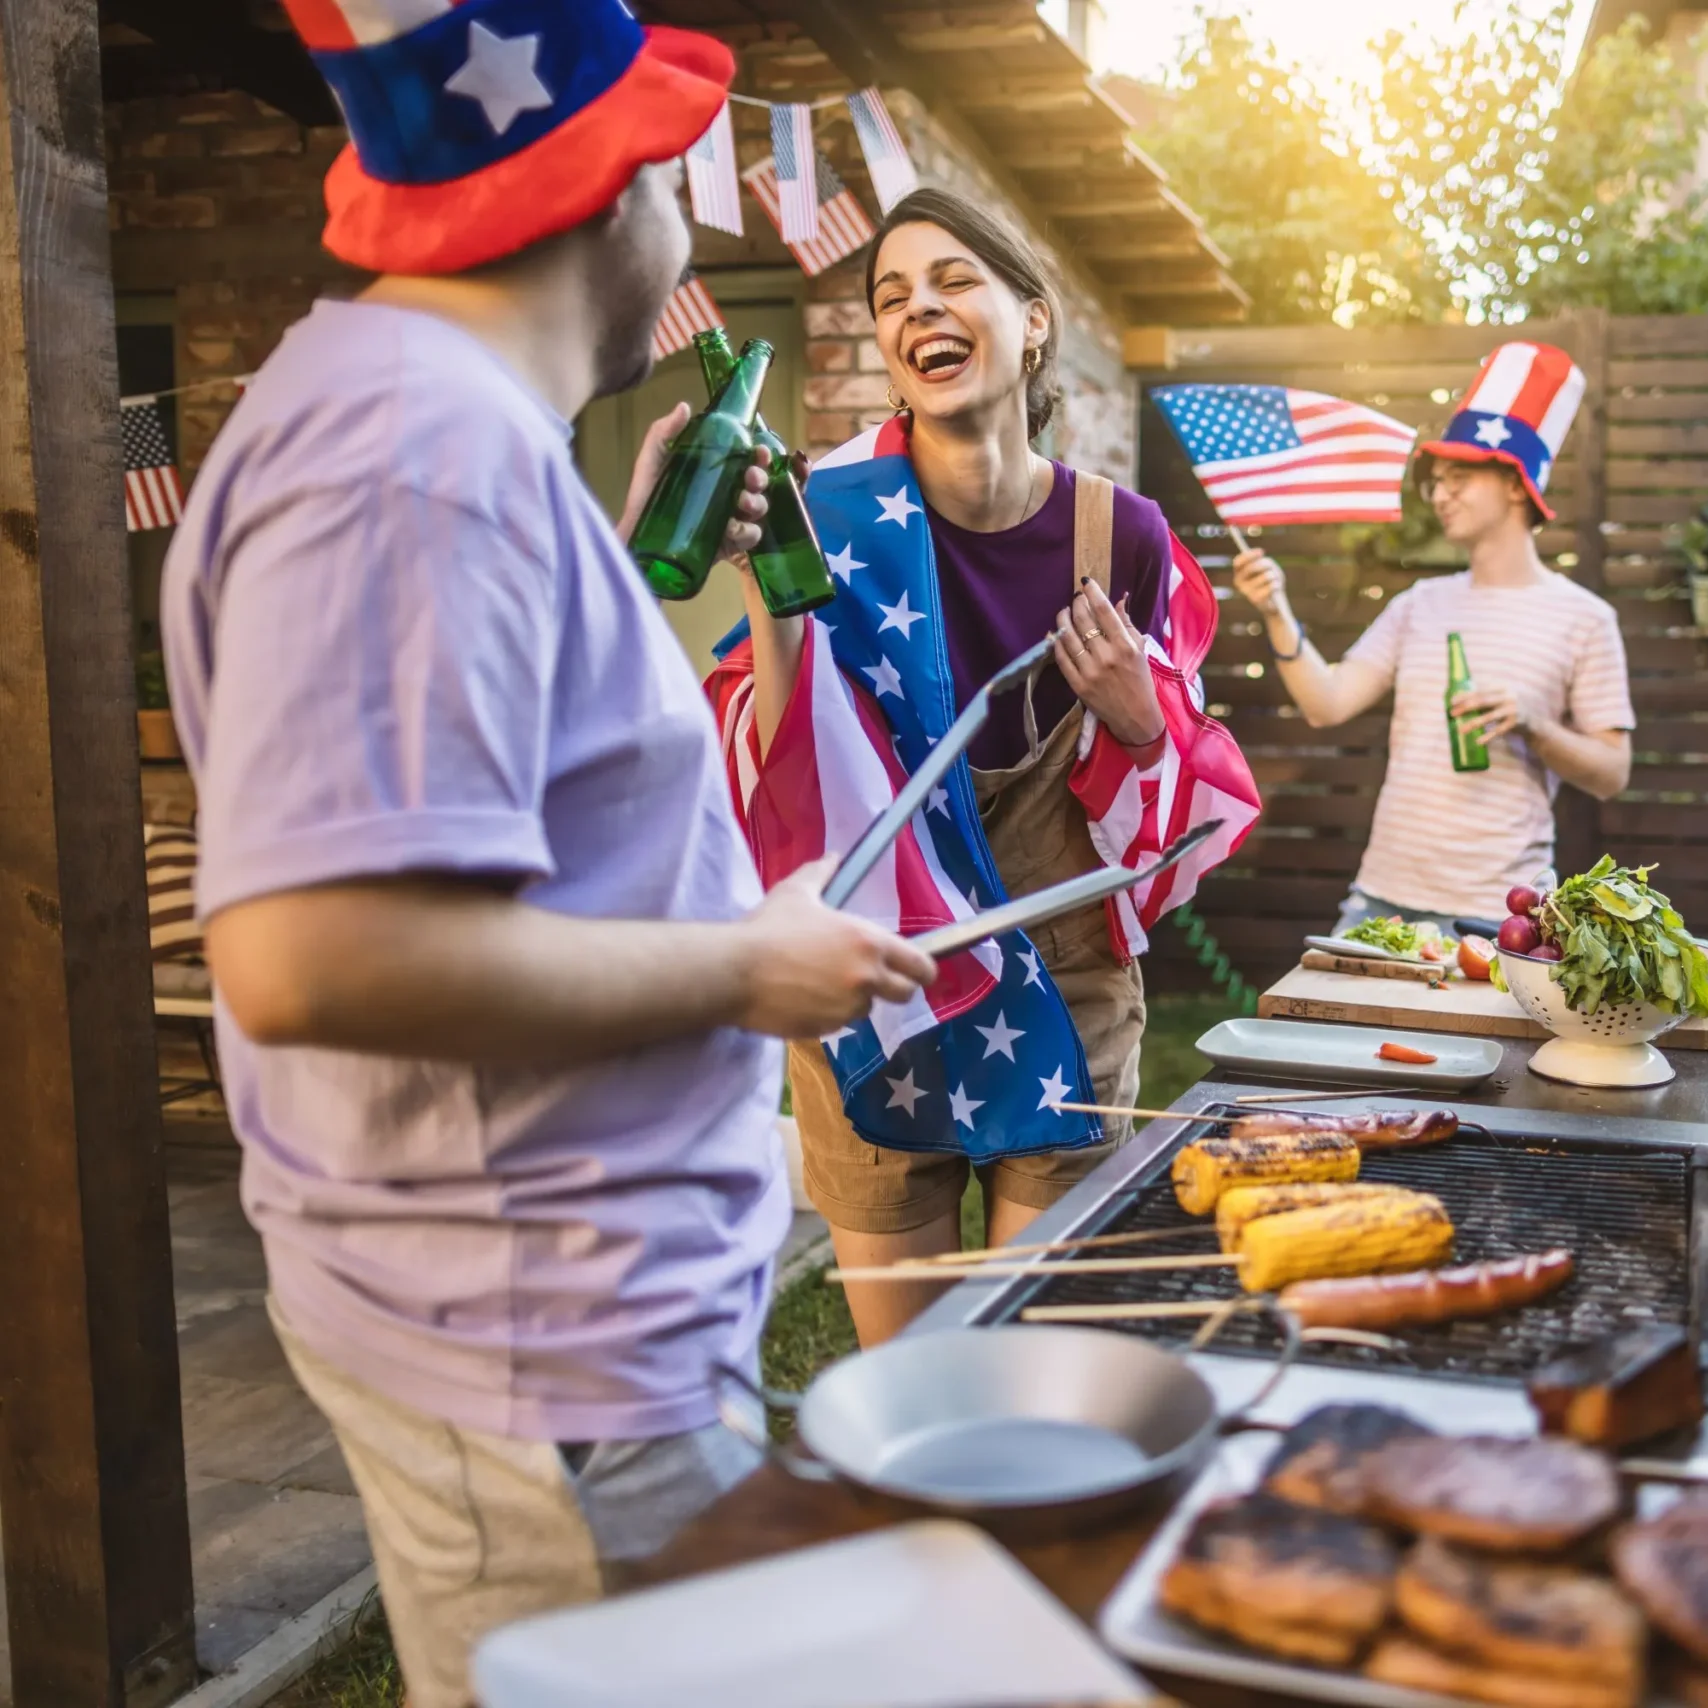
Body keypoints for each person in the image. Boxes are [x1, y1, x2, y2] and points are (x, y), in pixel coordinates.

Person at [159, 8, 934, 1701]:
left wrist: (615, 561)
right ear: (611, 182)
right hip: (553, 1351)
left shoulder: (439, 439)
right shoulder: (414, 457)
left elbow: (497, 787)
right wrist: (749, 965)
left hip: (558, 1326)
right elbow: (316, 951)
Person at [708, 187, 1260, 1347]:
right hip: (879, 983)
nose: (920, 311)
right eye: (891, 297)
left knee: (1038, 1364)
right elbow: (775, 777)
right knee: (907, 1373)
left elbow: (1180, 823)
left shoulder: (1125, 539)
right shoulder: (830, 517)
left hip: (1066, 987)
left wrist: (1140, 721)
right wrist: (775, 604)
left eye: (953, 280)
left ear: (1034, 319)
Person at [1231, 342, 1634, 935]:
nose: (1439, 493)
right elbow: (1327, 703)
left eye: (1459, 477)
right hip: (1381, 899)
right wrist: (1275, 611)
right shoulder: (1419, 604)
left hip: (1505, 915)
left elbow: (1612, 772)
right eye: (1436, 480)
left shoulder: (1585, 617)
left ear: (1518, 485)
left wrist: (1533, 722)